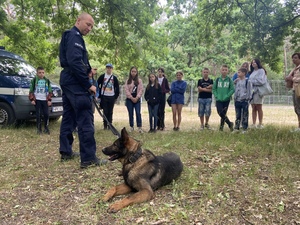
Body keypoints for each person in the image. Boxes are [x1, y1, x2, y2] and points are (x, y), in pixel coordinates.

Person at [58, 12, 106, 168]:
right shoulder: (75, 37)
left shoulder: (69, 36)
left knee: (69, 117)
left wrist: (89, 70)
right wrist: (88, 84)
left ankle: (66, 151)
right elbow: (75, 62)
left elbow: (75, 61)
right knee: (85, 118)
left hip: (68, 80)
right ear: (78, 21)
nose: (90, 28)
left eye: (92, 26)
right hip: (75, 83)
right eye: (88, 24)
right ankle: (88, 158)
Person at [29, 67, 52, 135]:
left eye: (43, 72)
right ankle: (39, 129)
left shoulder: (47, 81)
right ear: (37, 73)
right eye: (40, 72)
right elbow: (31, 90)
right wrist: (32, 99)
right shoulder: (34, 80)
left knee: (46, 114)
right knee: (38, 115)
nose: (41, 74)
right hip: (37, 100)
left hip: (44, 100)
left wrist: (49, 100)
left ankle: (46, 128)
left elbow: (50, 91)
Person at [97, 63, 120, 129]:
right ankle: (105, 124)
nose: (109, 69)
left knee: (110, 111)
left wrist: (115, 96)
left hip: (111, 96)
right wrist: (99, 95)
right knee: (105, 111)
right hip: (104, 96)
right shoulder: (102, 76)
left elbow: (117, 87)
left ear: (112, 69)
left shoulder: (114, 78)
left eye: (110, 68)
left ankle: (110, 125)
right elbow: (97, 84)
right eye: (108, 68)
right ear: (106, 68)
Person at [212, 65, 235, 131]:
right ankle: (229, 123)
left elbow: (232, 89)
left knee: (223, 113)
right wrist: (216, 95)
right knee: (220, 112)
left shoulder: (229, 80)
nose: (224, 71)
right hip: (219, 99)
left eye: (226, 70)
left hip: (226, 100)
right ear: (220, 71)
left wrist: (227, 95)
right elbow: (214, 89)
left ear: (227, 71)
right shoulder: (217, 80)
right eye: (223, 70)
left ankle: (221, 127)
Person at [248, 58, 267, 128]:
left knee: (259, 107)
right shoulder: (252, 72)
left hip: (258, 92)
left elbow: (261, 81)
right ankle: (253, 123)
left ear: (258, 63)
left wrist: (252, 81)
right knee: (253, 107)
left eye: (255, 62)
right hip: (252, 92)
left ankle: (260, 123)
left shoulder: (261, 71)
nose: (253, 64)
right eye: (252, 63)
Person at [233, 67, 253, 132]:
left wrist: (248, 99)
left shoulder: (248, 81)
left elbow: (250, 91)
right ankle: (237, 127)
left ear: (244, 73)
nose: (237, 73)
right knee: (238, 114)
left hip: (244, 100)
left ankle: (244, 128)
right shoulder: (237, 81)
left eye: (239, 72)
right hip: (237, 100)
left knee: (245, 115)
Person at [125, 66, 144, 133]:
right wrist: (131, 97)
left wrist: (137, 97)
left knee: (138, 113)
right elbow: (126, 90)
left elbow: (141, 90)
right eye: (132, 71)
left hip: (137, 99)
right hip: (130, 99)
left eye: (135, 71)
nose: (133, 73)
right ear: (130, 72)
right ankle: (131, 126)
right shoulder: (128, 81)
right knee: (130, 113)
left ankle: (139, 127)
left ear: (137, 72)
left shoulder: (139, 81)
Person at [285, 52, 300, 132]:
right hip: (295, 90)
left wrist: (292, 79)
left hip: (299, 90)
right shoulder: (294, 69)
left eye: (296, 58)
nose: (293, 59)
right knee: (297, 109)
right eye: (293, 58)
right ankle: (299, 126)